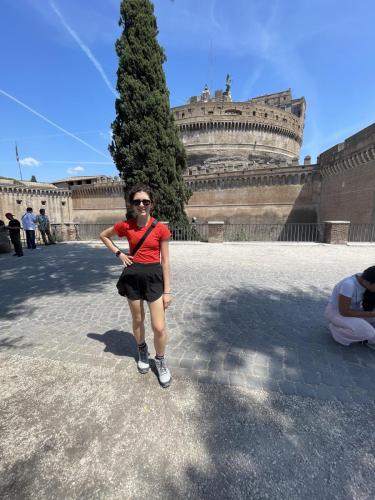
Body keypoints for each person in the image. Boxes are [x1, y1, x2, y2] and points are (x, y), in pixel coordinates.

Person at [100, 185, 173, 387]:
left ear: (152, 204)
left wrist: (168, 291)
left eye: (145, 201)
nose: (141, 205)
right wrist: (119, 254)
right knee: (138, 318)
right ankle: (142, 349)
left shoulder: (160, 228)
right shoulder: (126, 226)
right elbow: (104, 235)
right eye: (137, 201)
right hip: (132, 277)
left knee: (159, 327)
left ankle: (160, 359)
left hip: (154, 278)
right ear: (132, 205)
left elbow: (166, 261)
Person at [325, 266, 375, 349]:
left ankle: (365, 335)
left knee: (370, 332)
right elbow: (344, 311)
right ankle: (336, 330)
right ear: (367, 282)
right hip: (336, 312)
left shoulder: (364, 278)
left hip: (354, 311)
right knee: (369, 332)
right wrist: (371, 314)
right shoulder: (349, 285)